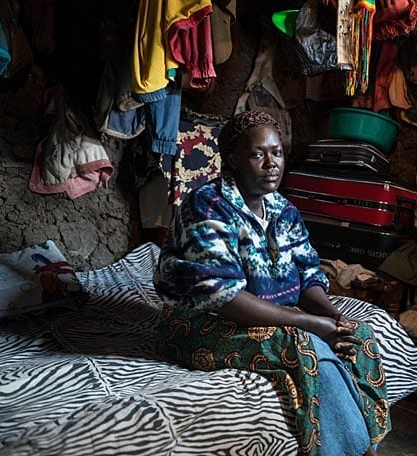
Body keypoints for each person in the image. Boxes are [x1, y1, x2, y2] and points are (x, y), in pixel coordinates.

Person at [153, 110, 391, 456]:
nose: (271, 164)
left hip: (268, 317)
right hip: (201, 323)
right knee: (304, 344)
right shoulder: (208, 204)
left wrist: (333, 318)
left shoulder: (284, 211)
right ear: (233, 159)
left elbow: (309, 274)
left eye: (277, 152)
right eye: (257, 154)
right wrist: (309, 323)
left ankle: (368, 446)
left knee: (358, 334)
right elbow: (223, 296)